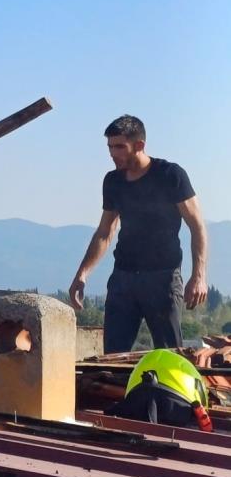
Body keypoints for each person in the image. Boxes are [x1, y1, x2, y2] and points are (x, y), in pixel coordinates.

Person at [69, 114, 208, 353]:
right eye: (110, 147)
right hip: (123, 278)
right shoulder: (113, 181)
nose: (113, 153)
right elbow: (105, 232)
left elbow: (197, 226)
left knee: (169, 355)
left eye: (120, 146)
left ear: (140, 145)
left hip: (163, 278)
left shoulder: (170, 175)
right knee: (113, 357)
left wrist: (198, 276)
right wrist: (82, 274)